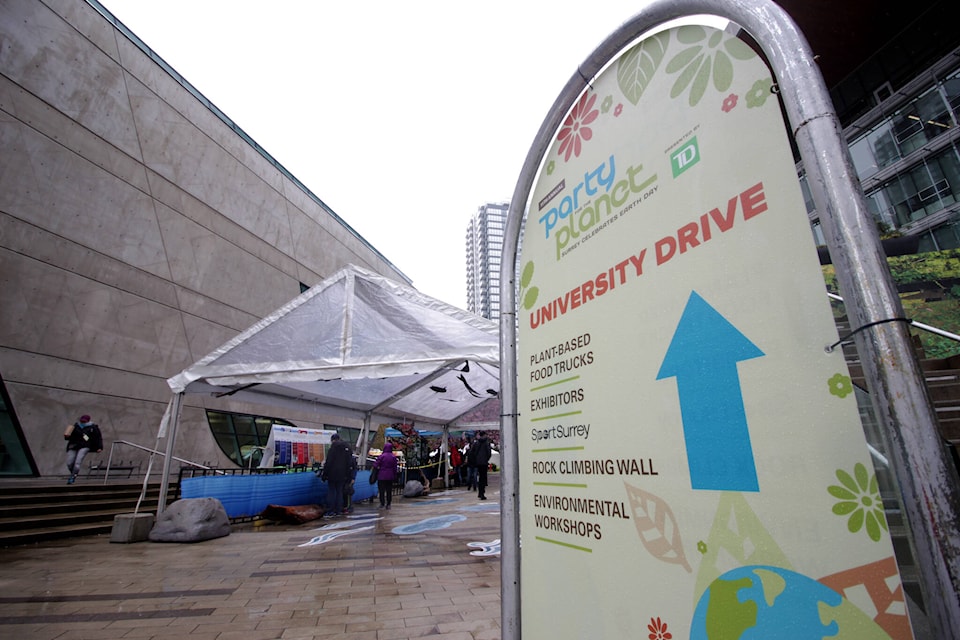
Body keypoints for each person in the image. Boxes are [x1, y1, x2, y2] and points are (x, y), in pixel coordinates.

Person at [64, 414, 103, 485]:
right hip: (73, 445)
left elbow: (97, 437)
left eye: (84, 420)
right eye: (82, 420)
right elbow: (68, 437)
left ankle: (72, 477)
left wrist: (99, 447)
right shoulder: (75, 426)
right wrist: (67, 436)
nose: (82, 422)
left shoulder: (92, 427)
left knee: (77, 462)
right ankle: (73, 473)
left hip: (84, 445)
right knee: (69, 463)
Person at [321, 434, 353, 517]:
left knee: (332, 491)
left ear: (333, 440)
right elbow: (350, 462)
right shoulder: (347, 448)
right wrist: (349, 476)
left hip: (332, 474)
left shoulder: (333, 448)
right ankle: (338, 510)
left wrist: (324, 474)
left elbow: (329, 462)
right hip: (343, 474)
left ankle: (330, 510)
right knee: (339, 492)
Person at [373, 442, 399, 509]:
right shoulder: (393, 457)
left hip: (381, 475)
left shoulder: (382, 456)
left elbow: (376, 465)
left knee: (381, 490)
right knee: (389, 490)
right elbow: (395, 468)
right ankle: (388, 504)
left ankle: (382, 503)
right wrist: (395, 475)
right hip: (390, 476)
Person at [472, 431, 492, 500]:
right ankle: (482, 493)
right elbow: (489, 453)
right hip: (484, 463)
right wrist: (486, 459)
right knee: (483, 478)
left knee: (479, 477)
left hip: (477, 463)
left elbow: (472, 452)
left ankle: (479, 492)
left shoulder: (476, 443)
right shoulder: (486, 443)